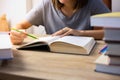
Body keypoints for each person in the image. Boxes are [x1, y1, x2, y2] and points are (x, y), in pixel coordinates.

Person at [10, 0, 110, 45]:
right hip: (53, 57)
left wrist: (80, 33)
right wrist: (16, 34)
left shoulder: (93, 3)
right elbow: (19, 25)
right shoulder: (46, 4)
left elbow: (115, 31)